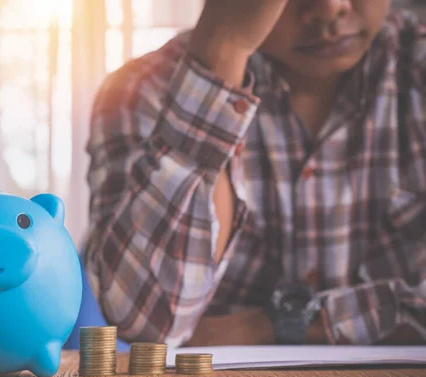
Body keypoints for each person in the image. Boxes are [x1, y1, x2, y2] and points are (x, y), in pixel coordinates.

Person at [83, 0, 426, 347]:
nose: (329, 8)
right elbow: (147, 324)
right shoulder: (143, 89)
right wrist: (222, 51)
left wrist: (276, 325)